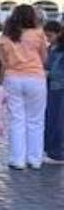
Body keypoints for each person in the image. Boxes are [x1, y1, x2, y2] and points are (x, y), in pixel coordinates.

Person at [0, 4, 48, 170]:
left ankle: (17, 159)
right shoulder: (38, 34)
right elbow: (44, 58)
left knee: (16, 119)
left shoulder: (5, 36)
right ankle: (35, 159)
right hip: (35, 78)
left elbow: (2, 61)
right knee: (36, 120)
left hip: (12, 78)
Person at [44, 26, 64, 165]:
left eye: (50, 36)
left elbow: (57, 72)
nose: (48, 39)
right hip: (51, 86)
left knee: (56, 119)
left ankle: (56, 153)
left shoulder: (59, 50)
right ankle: (50, 149)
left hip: (58, 86)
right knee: (51, 117)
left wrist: (48, 73)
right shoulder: (52, 48)